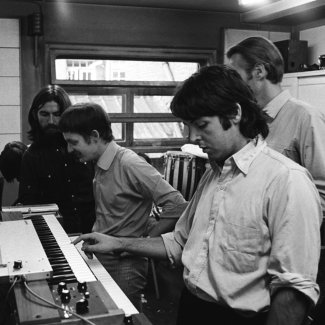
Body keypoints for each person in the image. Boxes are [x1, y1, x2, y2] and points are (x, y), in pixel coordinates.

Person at [72, 65, 322, 325]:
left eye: (202, 125)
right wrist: (117, 242)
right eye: (189, 126)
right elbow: (180, 244)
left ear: (235, 113)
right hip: (192, 309)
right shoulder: (213, 175)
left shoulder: (287, 180)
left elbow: (293, 291)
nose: (193, 137)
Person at [58, 102, 187, 311]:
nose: (69, 149)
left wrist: (146, 240)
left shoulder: (129, 163)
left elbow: (178, 205)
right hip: (103, 255)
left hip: (125, 265)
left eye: (73, 142)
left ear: (94, 136)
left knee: (122, 317)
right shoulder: (99, 161)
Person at [226, 36, 325, 215]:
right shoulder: (247, 119)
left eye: (235, 75)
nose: (231, 84)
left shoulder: (306, 117)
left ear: (259, 72)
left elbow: (322, 195)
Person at [17, 85, 96, 234]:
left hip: (93, 232)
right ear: (35, 115)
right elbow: (29, 208)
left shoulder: (84, 148)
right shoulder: (31, 156)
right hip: (54, 236)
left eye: (57, 114)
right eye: (45, 114)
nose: (52, 121)